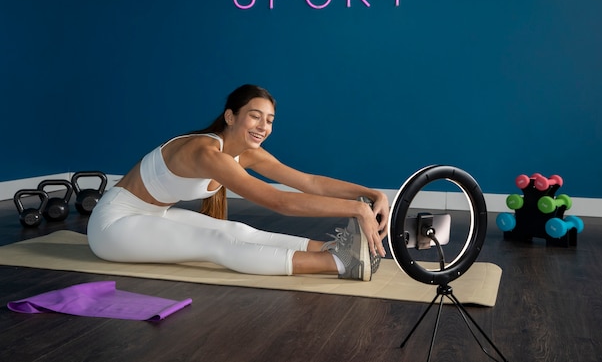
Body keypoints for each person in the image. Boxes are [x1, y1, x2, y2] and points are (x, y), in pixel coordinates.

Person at [87, 84, 389, 281]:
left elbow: (309, 181)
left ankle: (330, 248)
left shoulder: (247, 153)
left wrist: (371, 195)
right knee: (216, 243)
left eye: (269, 120)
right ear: (230, 117)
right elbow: (278, 201)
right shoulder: (205, 152)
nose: (263, 127)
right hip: (114, 224)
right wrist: (357, 210)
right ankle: (340, 263)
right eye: (255, 117)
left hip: (152, 215)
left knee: (238, 230)